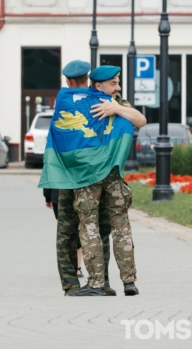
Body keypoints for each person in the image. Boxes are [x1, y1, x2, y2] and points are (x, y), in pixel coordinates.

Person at [70, 65, 146, 297]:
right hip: (92, 174)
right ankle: (105, 282)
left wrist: (115, 108)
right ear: (98, 86)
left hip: (105, 175)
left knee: (105, 227)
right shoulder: (83, 103)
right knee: (98, 226)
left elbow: (141, 120)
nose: (118, 87)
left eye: (118, 82)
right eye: (113, 84)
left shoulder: (118, 104)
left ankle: (118, 283)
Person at [51, 60, 113, 295]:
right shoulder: (102, 99)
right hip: (97, 175)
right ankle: (103, 281)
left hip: (68, 177)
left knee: (66, 230)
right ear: (89, 78)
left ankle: (70, 284)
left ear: (68, 80)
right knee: (98, 227)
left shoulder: (63, 98)